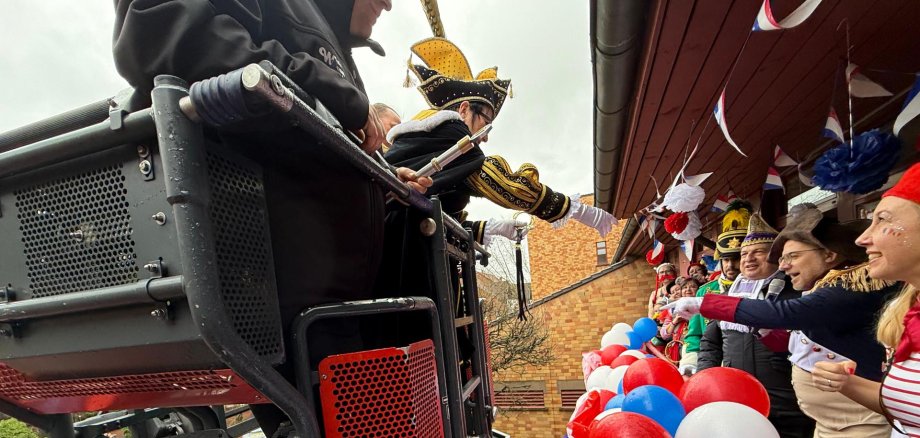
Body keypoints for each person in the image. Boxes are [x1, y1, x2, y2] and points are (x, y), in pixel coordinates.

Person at [111, 1, 428, 436]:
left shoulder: (324, 33)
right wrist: (344, 97)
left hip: (335, 306)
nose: (388, 3)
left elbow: (324, 134)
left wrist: (384, 175)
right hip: (282, 301)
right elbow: (165, 33)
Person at [669, 204, 898, 437]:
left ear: (829, 255)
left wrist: (705, 304)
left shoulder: (848, 287)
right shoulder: (818, 287)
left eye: (793, 256)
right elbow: (804, 343)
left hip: (855, 422)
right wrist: (765, 331)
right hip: (826, 423)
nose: (784, 265)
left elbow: (787, 313)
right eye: (782, 258)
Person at [811, 163, 920, 436]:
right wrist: (847, 384)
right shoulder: (905, 310)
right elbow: (908, 405)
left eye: (882, 219)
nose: (862, 239)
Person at [697, 213, 815, 437]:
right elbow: (710, 343)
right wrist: (705, 379)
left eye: (758, 252)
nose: (748, 259)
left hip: (787, 402)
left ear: (777, 257)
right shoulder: (727, 296)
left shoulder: (797, 293)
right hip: (737, 398)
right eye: (744, 254)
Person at [678, 199, 751, 375]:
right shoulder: (705, 291)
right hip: (714, 370)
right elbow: (695, 335)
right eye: (726, 259)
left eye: (736, 259)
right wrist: (691, 364)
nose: (731, 265)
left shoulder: (761, 289)